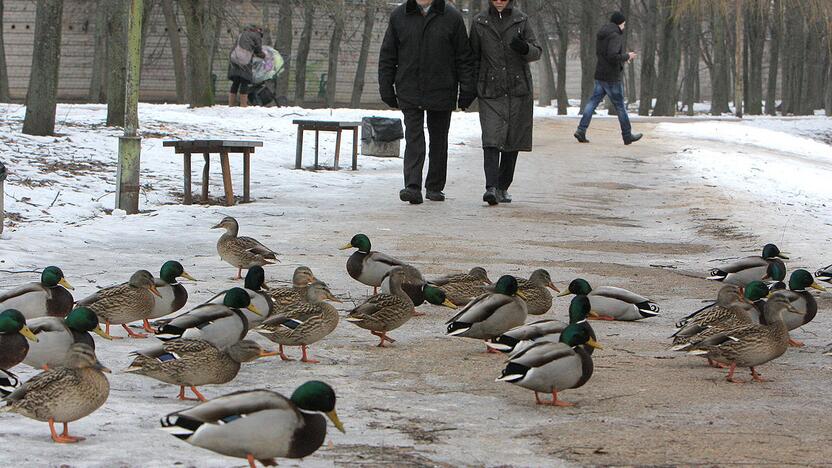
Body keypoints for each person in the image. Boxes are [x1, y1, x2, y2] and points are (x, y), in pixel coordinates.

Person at [378, 0, 476, 205]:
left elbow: (464, 57)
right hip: (409, 87)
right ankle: (412, 186)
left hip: (442, 88)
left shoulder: (452, 16)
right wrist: (386, 87)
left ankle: (434, 186)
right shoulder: (399, 16)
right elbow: (388, 55)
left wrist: (467, 90)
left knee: (438, 139)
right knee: (414, 137)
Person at [469, 0, 541, 206]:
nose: (499, 0)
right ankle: (490, 187)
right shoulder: (479, 22)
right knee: (491, 137)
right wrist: (470, 87)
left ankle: (503, 186)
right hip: (490, 89)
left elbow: (537, 51)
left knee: (512, 139)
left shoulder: (521, 20)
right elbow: (473, 56)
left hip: (518, 89)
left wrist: (524, 48)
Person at [574, 12, 642, 145]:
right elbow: (612, 56)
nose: (624, 26)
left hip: (600, 74)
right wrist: (627, 56)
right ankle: (627, 135)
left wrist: (621, 58)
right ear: (619, 23)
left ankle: (581, 130)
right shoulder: (615, 35)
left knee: (592, 103)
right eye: (623, 24)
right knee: (620, 106)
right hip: (611, 77)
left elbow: (605, 54)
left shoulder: (602, 34)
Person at [227, 24, 266, 108]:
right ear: (258, 30)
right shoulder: (256, 35)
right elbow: (258, 50)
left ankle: (231, 104)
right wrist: (264, 56)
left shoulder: (242, 33)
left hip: (234, 59)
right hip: (245, 60)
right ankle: (243, 105)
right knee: (244, 81)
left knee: (236, 82)